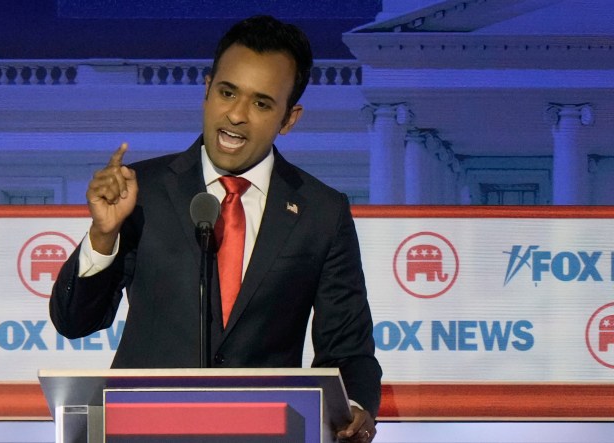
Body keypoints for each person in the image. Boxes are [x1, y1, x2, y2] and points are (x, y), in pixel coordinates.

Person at [50, 15, 381, 442]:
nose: (237, 115)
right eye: (227, 92)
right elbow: (74, 320)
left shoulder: (322, 211)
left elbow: (348, 348)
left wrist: (353, 408)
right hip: (143, 431)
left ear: (289, 118)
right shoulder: (142, 189)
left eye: (262, 103)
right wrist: (103, 236)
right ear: (207, 89)